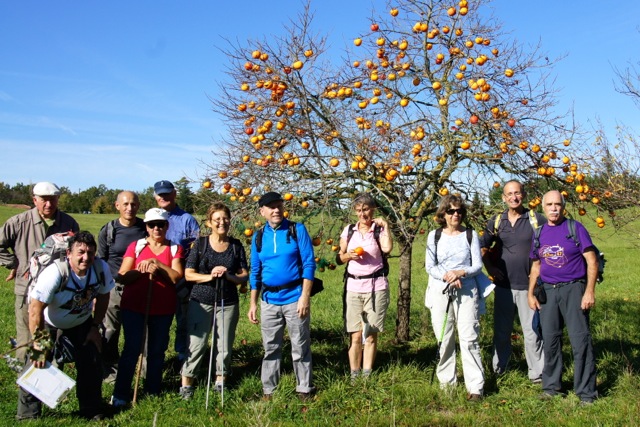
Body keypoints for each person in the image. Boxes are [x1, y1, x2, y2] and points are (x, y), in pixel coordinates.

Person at [17, 231, 115, 421]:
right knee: (37, 363)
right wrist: (39, 342)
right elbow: (35, 310)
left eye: (90, 253)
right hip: (47, 325)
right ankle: (28, 416)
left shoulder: (100, 269)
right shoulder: (55, 273)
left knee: (92, 362)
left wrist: (95, 326)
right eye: (81, 252)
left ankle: (91, 409)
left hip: (82, 322)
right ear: (69, 253)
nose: (86, 257)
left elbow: (104, 296)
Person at [527, 190, 598, 404]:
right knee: (550, 340)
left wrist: (589, 291)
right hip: (548, 291)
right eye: (549, 204)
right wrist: (531, 293)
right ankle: (552, 388)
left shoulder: (575, 228)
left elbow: (592, 262)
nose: (554, 208)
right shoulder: (539, 233)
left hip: (574, 289)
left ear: (563, 205)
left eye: (557, 204)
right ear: (543, 207)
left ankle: (586, 393)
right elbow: (536, 265)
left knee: (580, 340)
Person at [110, 208, 184, 407]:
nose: (157, 228)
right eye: (152, 225)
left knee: (157, 351)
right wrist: (141, 269)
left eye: (161, 224)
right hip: (134, 306)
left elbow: (176, 277)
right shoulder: (136, 246)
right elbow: (122, 276)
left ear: (167, 226)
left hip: (162, 308)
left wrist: (157, 265)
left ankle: (152, 390)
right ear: (147, 227)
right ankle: (121, 394)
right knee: (131, 350)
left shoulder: (175, 248)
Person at [0, 181, 79, 362]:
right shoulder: (19, 222)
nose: (49, 204)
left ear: (58, 199)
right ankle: (28, 384)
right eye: (44, 200)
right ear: (34, 200)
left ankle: (51, 383)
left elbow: (76, 255)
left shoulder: (69, 223)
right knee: (29, 340)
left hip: (58, 293)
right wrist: (15, 264)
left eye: (53, 199)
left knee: (54, 340)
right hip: (27, 290)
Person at [248, 191, 316, 400]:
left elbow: (309, 263)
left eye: (279, 206)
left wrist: (305, 296)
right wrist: (252, 303)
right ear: (262, 211)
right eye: (271, 207)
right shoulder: (258, 236)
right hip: (269, 300)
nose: (276, 210)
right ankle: (269, 389)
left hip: (295, 297)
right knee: (270, 347)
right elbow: (255, 271)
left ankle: (304, 387)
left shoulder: (297, 229)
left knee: (300, 345)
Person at [179, 202, 248, 399]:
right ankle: (187, 384)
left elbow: (244, 274)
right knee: (196, 344)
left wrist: (229, 276)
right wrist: (210, 276)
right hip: (200, 301)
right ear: (209, 223)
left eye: (225, 218)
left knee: (224, 345)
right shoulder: (200, 244)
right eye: (217, 219)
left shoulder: (235, 246)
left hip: (228, 301)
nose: (222, 222)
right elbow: (189, 274)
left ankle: (221, 381)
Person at [480, 180, 544, 382]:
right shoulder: (497, 221)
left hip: (530, 288)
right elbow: (482, 247)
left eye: (517, 193)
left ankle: (538, 374)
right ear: (504, 198)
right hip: (504, 286)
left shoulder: (536, 220)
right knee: (502, 331)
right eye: (509, 194)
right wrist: (490, 267)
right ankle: (500, 370)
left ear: (523, 195)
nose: (514, 197)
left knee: (532, 332)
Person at [425, 195, 484, 401]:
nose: (455, 214)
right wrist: (447, 276)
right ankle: (447, 385)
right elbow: (429, 266)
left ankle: (475, 387)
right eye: (450, 211)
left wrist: (460, 273)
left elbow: (477, 265)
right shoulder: (434, 236)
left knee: (469, 338)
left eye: (459, 211)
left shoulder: (470, 234)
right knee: (445, 338)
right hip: (441, 291)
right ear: (443, 214)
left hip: (467, 291)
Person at [336, 193, 392, 381]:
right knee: (355, 335)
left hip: (376, 287)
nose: (363, 214)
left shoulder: (379, 229)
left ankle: (367, 374)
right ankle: (354, 374)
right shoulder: (349, 230)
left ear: (373, 209)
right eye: (359, 210)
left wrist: (387, 227)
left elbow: (387, 249)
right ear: (355, 212)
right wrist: (348, 256)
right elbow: (339, 257)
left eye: (366, 209)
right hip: (353, 286)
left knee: (371, 334)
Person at [97, 191, 147, 382]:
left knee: (139, 331)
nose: (129, 208)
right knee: (110, 330)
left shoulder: (145, 229)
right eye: (125, 204)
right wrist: (97, 293)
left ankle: (141, 371)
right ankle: (109, 371)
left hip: (139, 287)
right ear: (117, 206)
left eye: (133, 204)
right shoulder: (108, 230)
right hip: (113, 288)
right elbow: (100, 262)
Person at [154, 180, 200, 362]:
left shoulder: (186, 219)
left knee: (183, 320)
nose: (163, 197)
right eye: (160, 194)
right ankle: (157, 356)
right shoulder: (153, 218)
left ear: (174, 194)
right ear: (156, 196)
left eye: (167, 193)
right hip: (159, 281)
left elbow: (197, 249)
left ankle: (182, 356)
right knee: (159, 321)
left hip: (182, 282)